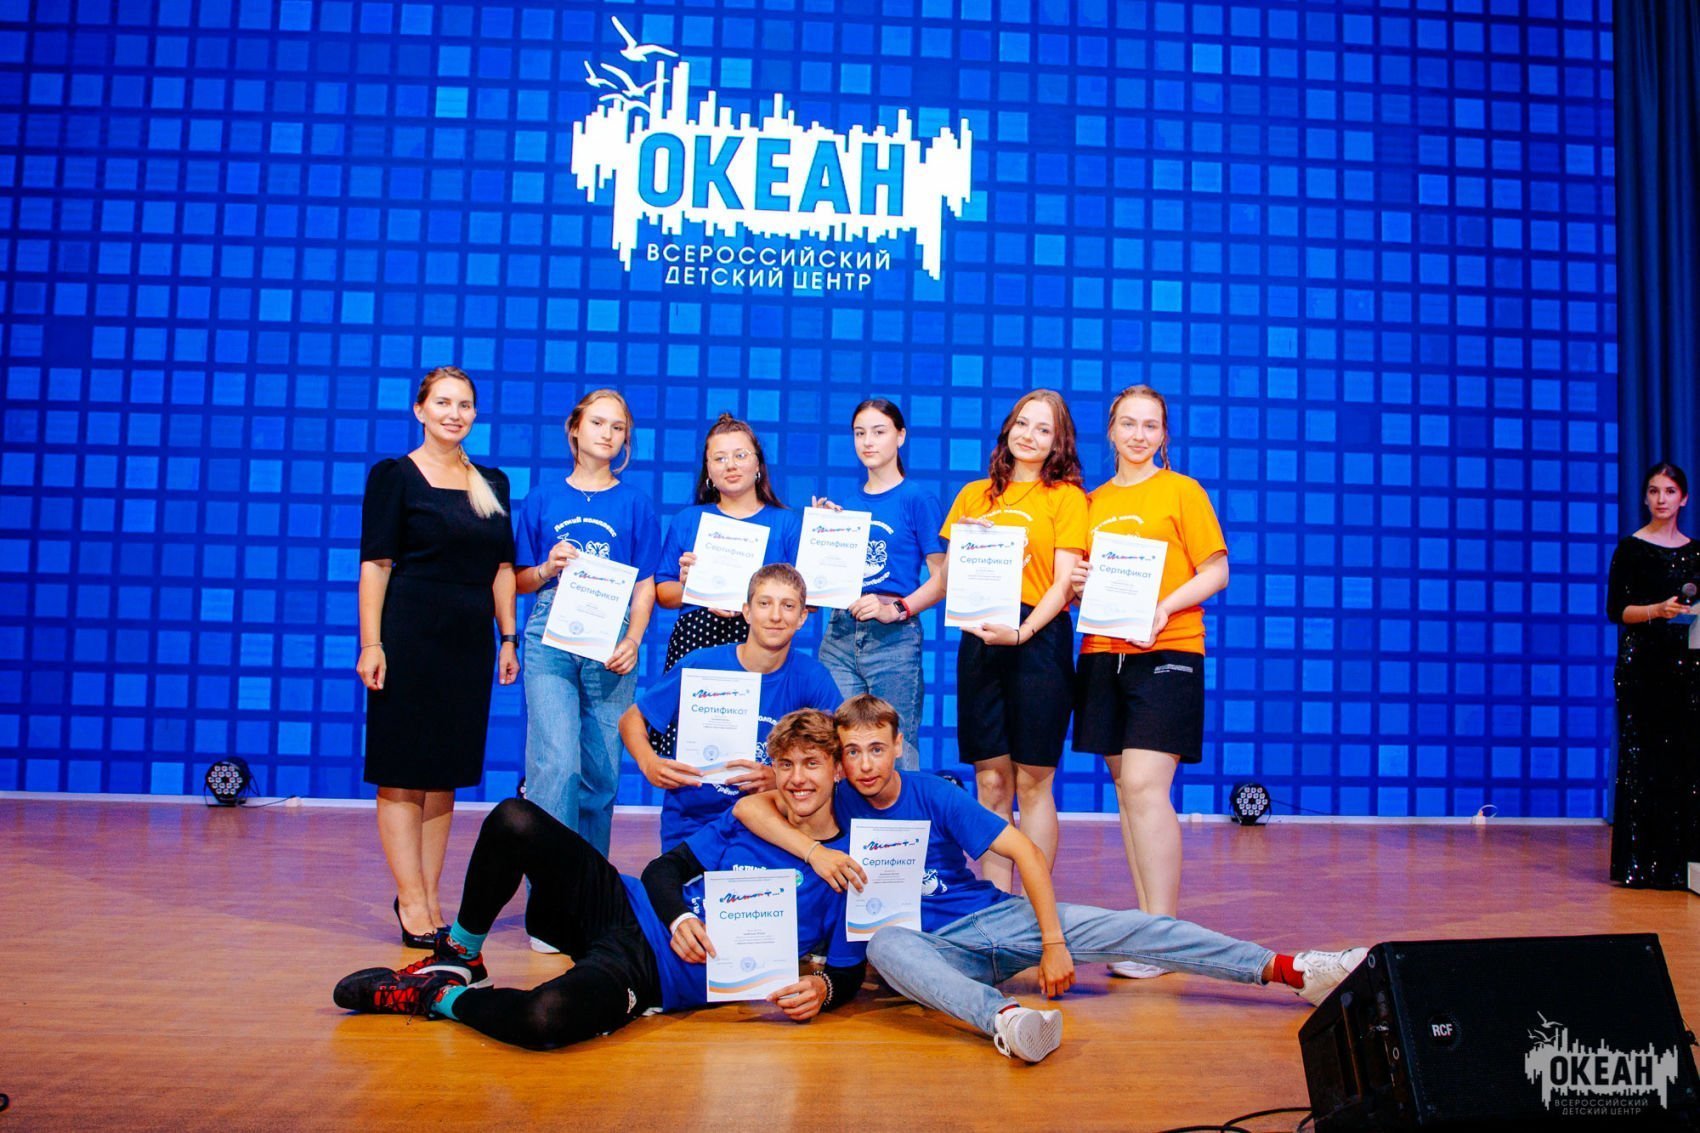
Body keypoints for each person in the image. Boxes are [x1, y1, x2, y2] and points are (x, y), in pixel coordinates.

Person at [735, 695, 1368, 1064]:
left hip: (994, 919)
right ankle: (1010, 1022)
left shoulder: (933, 794)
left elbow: (1028, 857)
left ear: (899, 745)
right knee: (886, 944)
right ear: (838, 761)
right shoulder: (834, 798)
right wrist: (814, 852)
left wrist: (1054, 942)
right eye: (852, 752)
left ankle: (1292, 969)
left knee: (1133, 927)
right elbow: (751, 806)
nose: (865, 763)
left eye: (877, 748)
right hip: (931, 950)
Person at [330, 710, 866, 1049]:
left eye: (812, 764)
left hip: (650, 973)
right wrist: (678, 916)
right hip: (622, 905)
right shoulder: (749, 816)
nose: (798, 778)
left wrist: (821, 990)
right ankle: (461, 956)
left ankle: (435, 997)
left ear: (837, 770)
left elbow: (846, 971)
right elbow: (663, 870)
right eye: (786, 765)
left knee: (544, 1021)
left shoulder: (847, 867)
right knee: (514, 819)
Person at [1069, 384, 1229, 979]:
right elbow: (1079, 583)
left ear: (1164, 435)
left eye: (1151, 425)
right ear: (1111, 430)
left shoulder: (1182, 491)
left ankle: (1163, 936)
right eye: (1129, 424)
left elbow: (1217, 570)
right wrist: (1078, 584)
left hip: (1169, 649)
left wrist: (1163, 607)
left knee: (1143, 786)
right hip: (1103, 656)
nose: (1139, 435)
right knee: (1127, 792)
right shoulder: (1090, 502)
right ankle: (1147, 931)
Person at [357, 366, 519, 947]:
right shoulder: (394, 476)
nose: (455, 414)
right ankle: (411, 900)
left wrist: (508, 637)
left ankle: (429, 896)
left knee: (444, 777)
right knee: (403, 774)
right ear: (420, 409)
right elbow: (376, 566)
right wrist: (371, 644)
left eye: (465, 405)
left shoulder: (492, 482)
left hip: (467, 644)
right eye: (443, 403)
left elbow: (502, 568)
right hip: (408, 637)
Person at [936, 389, 1087, 890]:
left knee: (1033, 780)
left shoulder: (1067, 498)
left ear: (1058, 442)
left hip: (1038, 638)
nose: (1029, 435)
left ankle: (1034, 905)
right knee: (991, 780)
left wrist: (1023, 632)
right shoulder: (974, 495)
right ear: (1008, 428)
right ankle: (997, 907)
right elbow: (948, 579)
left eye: (1044, 429)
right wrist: (966, 543)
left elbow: (1064, 584)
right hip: (981, 637)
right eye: (1023, 423)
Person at [512, 390, 660, 857]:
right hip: (551, 636)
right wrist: (546, 568)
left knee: (601, 775)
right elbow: (519, 579)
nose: (608, 434)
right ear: (575, 428)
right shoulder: (542, 498)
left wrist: (633, 639)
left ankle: (588, 888)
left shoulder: (636, 504)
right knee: (555, 765)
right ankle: (549, 893)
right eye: (598, 423)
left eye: (618, 427)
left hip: (610, 638)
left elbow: (645, 584)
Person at [620, 563, 844, 849]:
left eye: (788, 606)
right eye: (764, 604)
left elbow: (841, 748)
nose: (776, 616)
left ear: (802, 617)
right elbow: (631, 720)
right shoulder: (701, 664)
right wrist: (649, 762)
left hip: (771, 826)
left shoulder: (812, 677)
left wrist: (781, 778)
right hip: (692, 823)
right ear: (747, 611)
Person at [813, 398, 946, 772]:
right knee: (837, 745)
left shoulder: (917, 499)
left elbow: (942, 579)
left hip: (893, 638)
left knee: (896, 746)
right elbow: (822, 586)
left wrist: (896, 609)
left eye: (879, 431)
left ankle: (904, 814)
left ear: (900, 436)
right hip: (840, 633)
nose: (868, 441)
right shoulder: (845, 505)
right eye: (860, 433)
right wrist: (822, 536)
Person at [1605, 461, 1700, 888]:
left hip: (1689, 665)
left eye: (1670, 491)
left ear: (1684, 498)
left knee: (1684, 760)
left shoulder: (1697, 553)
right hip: (1643, 664)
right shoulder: (1631, 549)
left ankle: (1682, 865)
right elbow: (1616, 611)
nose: (1662, 499)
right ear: (1645, 498)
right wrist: (1657, 611)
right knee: (1644, 759)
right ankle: (1641, 864)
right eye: (1654, 491)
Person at [655, 413, 802, 670]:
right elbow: (663, 593)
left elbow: (808, 603)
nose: (731, 465)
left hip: (763, 641)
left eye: (740, 455)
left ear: (758, 464)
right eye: (720, 458)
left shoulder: (786, 523)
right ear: (708, 470)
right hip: (696, 639)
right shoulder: (687, 520)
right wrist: (694, 587)